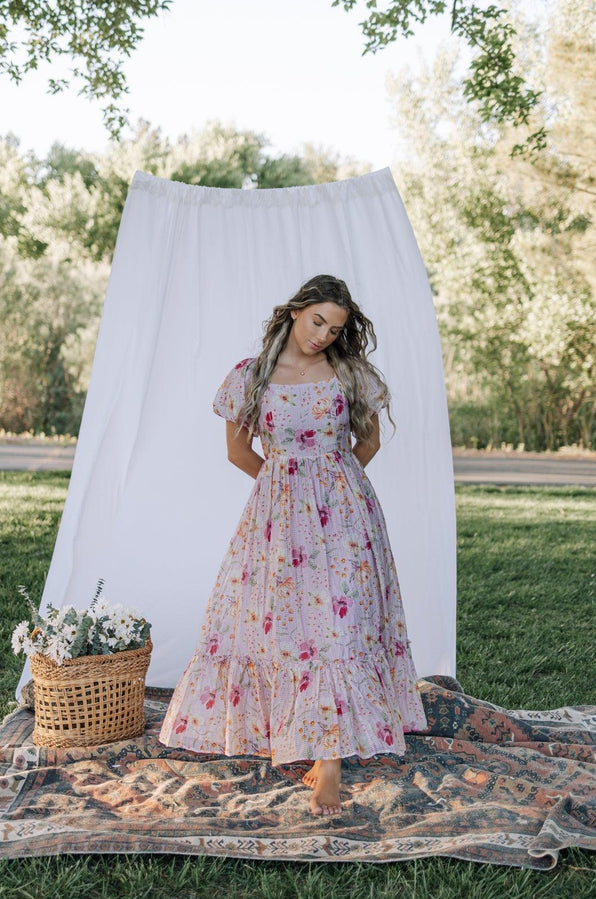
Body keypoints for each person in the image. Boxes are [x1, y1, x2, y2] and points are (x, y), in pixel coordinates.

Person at [159, 273, 427, 816]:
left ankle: (329, 761)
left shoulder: (351, 373)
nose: (324, 335)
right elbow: (237, 451)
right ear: (293, 313)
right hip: (276, 515)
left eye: (335, 328)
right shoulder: (252, 377)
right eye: (317, 321)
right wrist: (285, 487)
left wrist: (334, 485)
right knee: (288, 627)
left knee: (339, 624)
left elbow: (368, 440)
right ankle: (291, 734)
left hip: (347, 516)